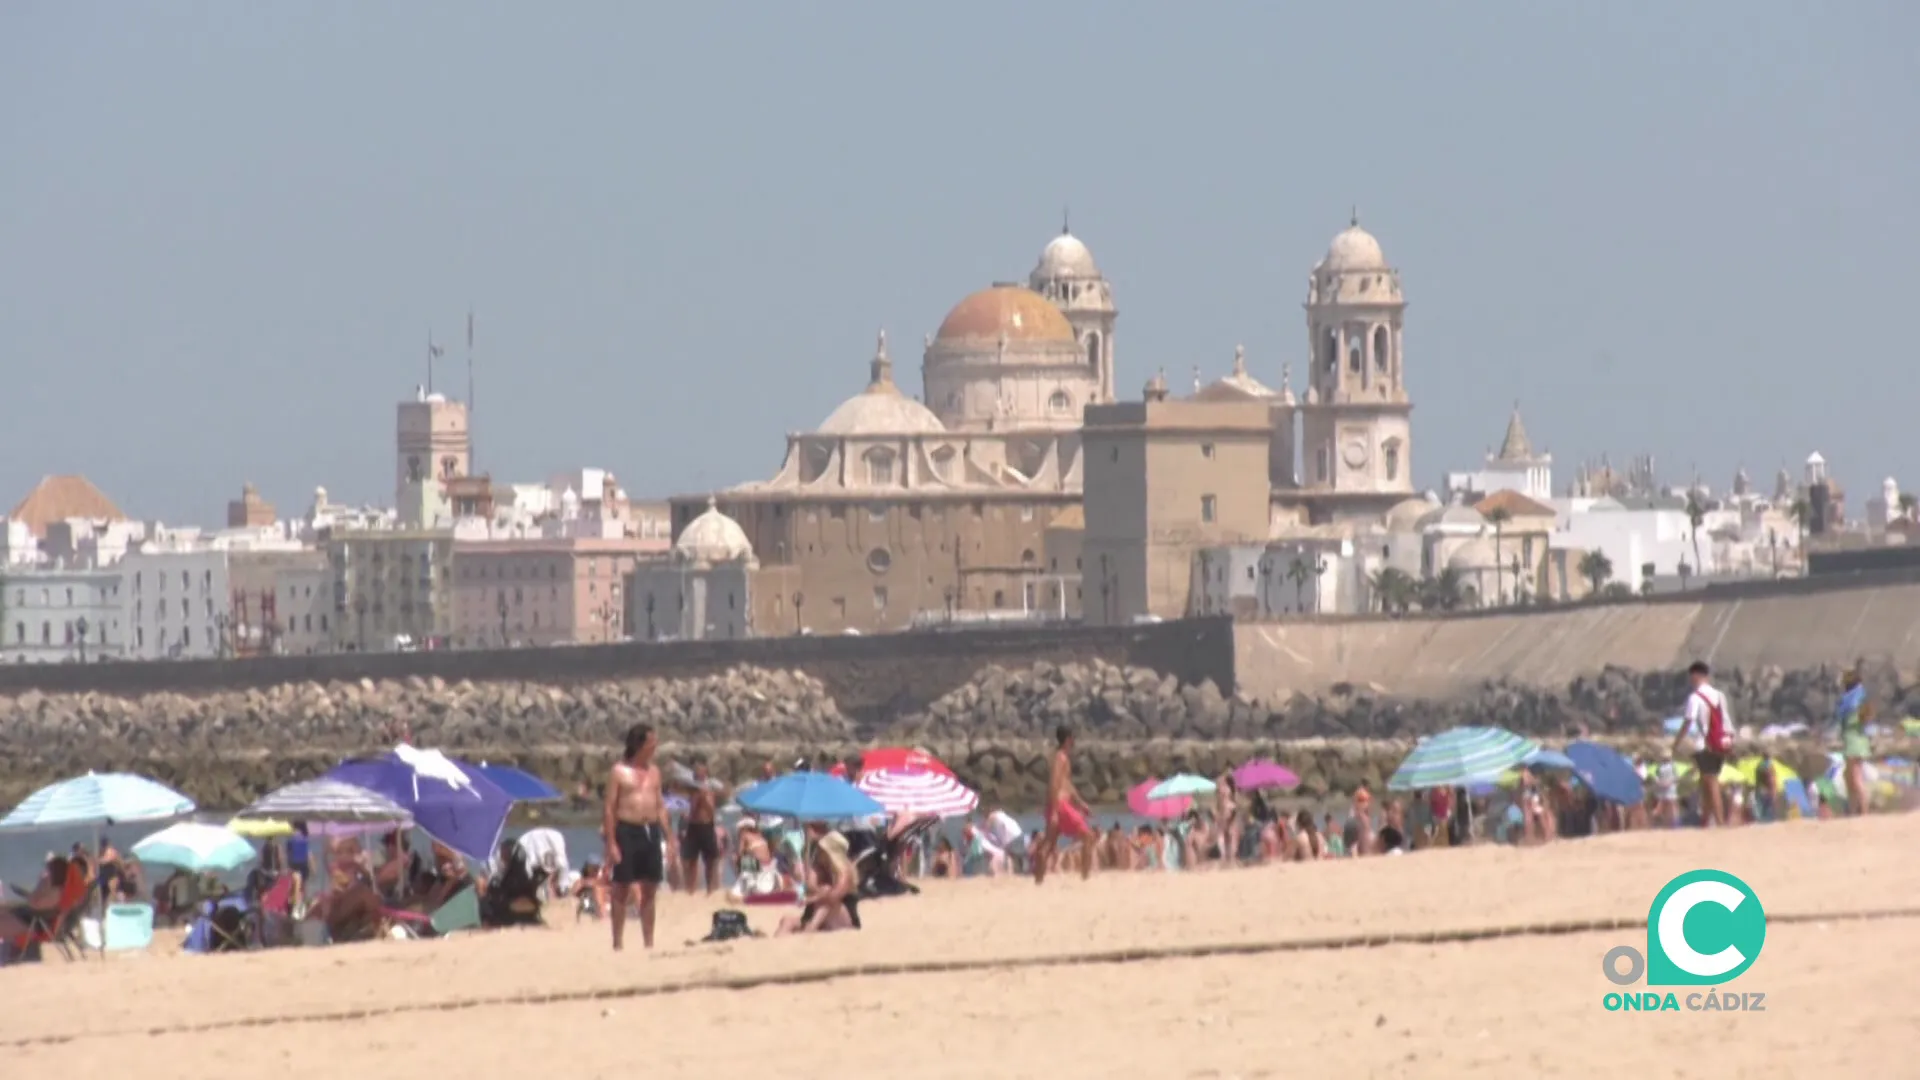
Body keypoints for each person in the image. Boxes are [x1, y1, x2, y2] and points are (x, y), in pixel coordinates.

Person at [603, 722, 667, 951]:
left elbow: (660, 806)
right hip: (627, 829)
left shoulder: (655, 772)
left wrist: (670, 838)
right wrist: (611, 842)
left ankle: (648, 942)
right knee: (621, 888)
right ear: (639, 745)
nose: (655, 746)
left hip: (650, 829)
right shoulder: (619, 771)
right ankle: (617, 943)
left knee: (649, 888)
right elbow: (609, 808)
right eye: (651, 742)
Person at [1673, 660, 1733, 827]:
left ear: (1696, 675)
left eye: (1691, 677)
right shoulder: (1720, 695)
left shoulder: (1695, 697)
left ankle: (1720, 822)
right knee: (1706, 781)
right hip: (1722, 743)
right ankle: (1705, 821)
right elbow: (1726, 720)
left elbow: (1688, 721)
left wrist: (1677, 742)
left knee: (1711, 782)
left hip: (1706, 744)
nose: (1690, 680)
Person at [1032, 725, 1094, 885]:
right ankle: (1085, 878)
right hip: (1060, 806)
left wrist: (1081, 803)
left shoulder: (1062, 757)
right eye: (1072, 738)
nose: (1074, 741)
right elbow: (1054, 783)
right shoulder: (1061, 758)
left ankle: (1038, 881)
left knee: (1048, 844)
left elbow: (1067, 784)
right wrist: (1054, 811)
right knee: (1088, 836)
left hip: (1059, 805)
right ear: (1067, 740)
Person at [677, 755, 724, 896]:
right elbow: (691, 807)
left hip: (706, 825)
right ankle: (691, 888)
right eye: (695, 770)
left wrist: (703, 798)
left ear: (705, 772)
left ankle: (709, 888)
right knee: (690, 858)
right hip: (694, 825)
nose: (697, 772)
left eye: (700, 770)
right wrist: (689, 815)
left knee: (710, 859)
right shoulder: (692, 788)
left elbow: (711, 810)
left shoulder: (709, 788)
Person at [1834, 668, 1872, 816]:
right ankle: (1854, 808)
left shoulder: (1849, 702)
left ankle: (1863, 810)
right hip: (1860, 741)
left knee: (1855, 778)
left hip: (1852, 743)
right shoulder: (1861, 699)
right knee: (1848, 776)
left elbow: (1843, 720)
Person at [1653, 750, 1681, 828]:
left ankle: (1676, 824)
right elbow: (1656, 776)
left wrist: (1669, 782)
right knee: (1661, 805)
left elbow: (1677, 776)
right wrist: (1659, 782)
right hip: (1662, 788)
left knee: (1672, 805)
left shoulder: (1673, 765)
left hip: (1671, 788)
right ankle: (1657, 822)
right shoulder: (1660, 766)